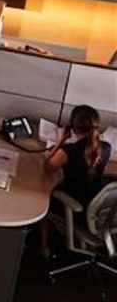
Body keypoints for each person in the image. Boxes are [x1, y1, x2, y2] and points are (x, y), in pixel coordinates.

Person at [39, 105, 112, 257]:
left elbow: (47, 167)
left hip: (77, 207)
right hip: (97, 206)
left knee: (44, 199)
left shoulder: (68, 151)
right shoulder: (106, 147)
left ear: (73, 127)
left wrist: (60, 142)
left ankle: (44, 248)